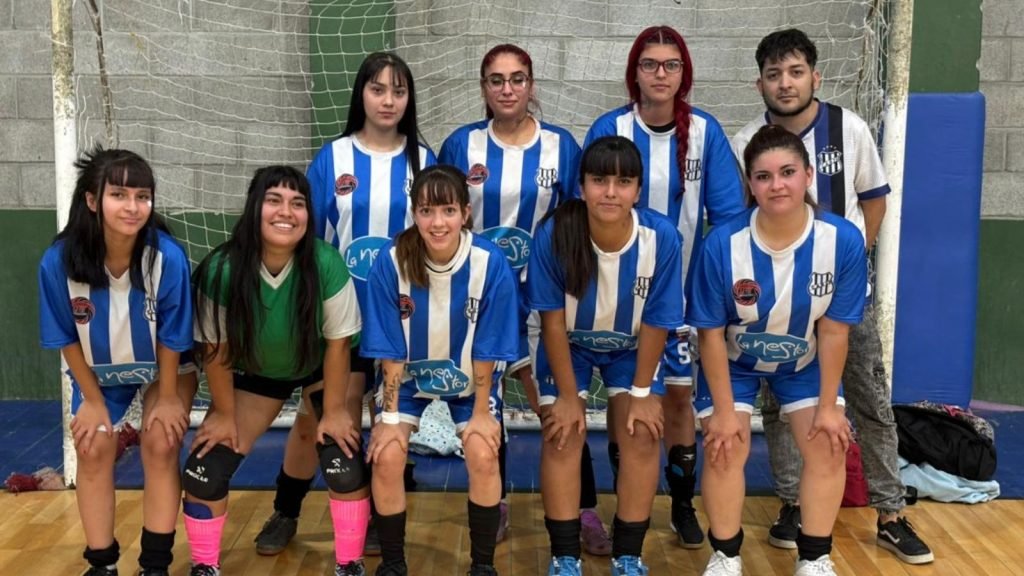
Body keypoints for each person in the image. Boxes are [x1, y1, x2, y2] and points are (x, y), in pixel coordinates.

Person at [730, 28, 933, 564]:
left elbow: (874, 202)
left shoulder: (851, 128)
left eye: (796, 72)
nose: (786, 82)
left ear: (815, 77)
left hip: (844, 298)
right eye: (774, 74)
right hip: (777, 302)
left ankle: (890, 513)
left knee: (868, 400)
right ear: (759, 84)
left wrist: (845, 266)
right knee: (781, 405)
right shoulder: (745, 140)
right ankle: (793, 505)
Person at [255, 51, 435, 558]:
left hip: (402, 318)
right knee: (323, 417)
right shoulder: (332, 158)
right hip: (340, 317)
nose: (388, 100)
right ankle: (286, 510)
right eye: (378, 89)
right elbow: (303, 235)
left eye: (398, 91)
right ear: (361, 94)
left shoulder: (424, 159)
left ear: (409, 99)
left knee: (388, 418)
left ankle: (378, 516)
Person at [437, 43, 604, 552]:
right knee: (486, 402)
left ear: (531, 86)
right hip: (478, 297)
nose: (507, 89)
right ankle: (497, 502)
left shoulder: (562, 146)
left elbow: (577, 222)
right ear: (483, 87)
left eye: (517, 79)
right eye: (496, 80)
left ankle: (584, 508)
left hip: (543, 298)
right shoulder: (461, 145)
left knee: (557, 404)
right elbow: (441, 216)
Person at [583, 24, 745, 548]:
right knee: (625, 404)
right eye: (650, 64)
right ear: (634, 72)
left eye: (670, 65)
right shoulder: (610, 127)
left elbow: (729, 220)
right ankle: (627, 507)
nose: (660, 73)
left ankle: (680, 504)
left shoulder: (704, 132)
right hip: (616, 296)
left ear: (684, 73)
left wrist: (714, 295)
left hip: (682, 297)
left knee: (677, 402)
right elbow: (584, 208)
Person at [691, 124, 865, 576]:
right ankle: (726, 555)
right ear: (750, 185)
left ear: (808, 175)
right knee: (725, 445)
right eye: (763, 176)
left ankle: (815, 557)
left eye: (787, 172)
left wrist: (829, 408)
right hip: (734, 362)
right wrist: (724, 412)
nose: (777, 185)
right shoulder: (722, 243)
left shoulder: (843, 241)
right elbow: (710, 334)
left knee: (828, 444)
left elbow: (834, 332)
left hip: (804, 361)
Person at [184, 166, 363, 576]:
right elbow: (215, 350)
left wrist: (336, 410)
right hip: (258, 372)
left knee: (343, 458)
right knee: (205, 468)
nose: (286, 212)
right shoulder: (223, 268)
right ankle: (205, 566)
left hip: (321, 365)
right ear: (254, 208)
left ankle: (349, 563)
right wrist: (224, 414)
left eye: (298, 203)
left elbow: (338, 345)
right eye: (274, 200)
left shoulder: (325, 261)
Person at [528, 136, 684, 576]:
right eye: (599, 180)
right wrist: (567, 397)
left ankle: (628, 555)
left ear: (638, 190)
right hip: (569, 345)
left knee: (642, 431)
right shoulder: (555, 234)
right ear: (581, 187)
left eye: (623, 181)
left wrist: (642, 393)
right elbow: (552, 323)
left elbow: (657, 321)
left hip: (632, 347)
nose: (610, 192)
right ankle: (564, 556)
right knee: (562, 432)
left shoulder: (661, 238)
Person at [38, 147, 196, 576]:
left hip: (163, 367)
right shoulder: (58, 261)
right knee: (92, 446)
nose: (132, 206)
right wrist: (91, 400)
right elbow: (64, 337)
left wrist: (167, 397)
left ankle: (155, 565)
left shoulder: (167, 257)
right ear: (92, 200)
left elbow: (174, 338)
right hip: (99, 371)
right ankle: (102, 564)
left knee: (161, 440)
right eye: (119, 195)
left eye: (142, 196)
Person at [361, 164, 520, 576]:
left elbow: (488, 347)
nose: (437, 223)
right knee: (387, 455)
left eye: (448, 210)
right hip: (407, 380)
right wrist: (389, 418)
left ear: (465, 213)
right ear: (414, 213)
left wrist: (482, 412)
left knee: (483, 454)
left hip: (470, 380)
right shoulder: (390, 261)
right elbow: (390, 350)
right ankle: (393, 565)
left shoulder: (490, 262)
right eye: (427, 211)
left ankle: (482, 565)